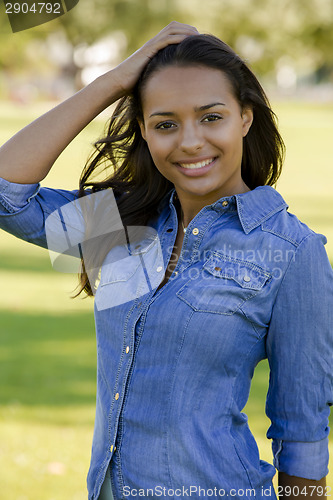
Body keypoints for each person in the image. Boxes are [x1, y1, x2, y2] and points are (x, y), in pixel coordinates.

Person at [0, 21, 332, 500]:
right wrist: (113, 81)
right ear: (144, 131)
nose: (190, 142)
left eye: (211, 117)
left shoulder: (292, 252)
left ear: (246, 118)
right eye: (165, 124)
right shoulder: (122, 223)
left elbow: (303, 433)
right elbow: (8, 195)